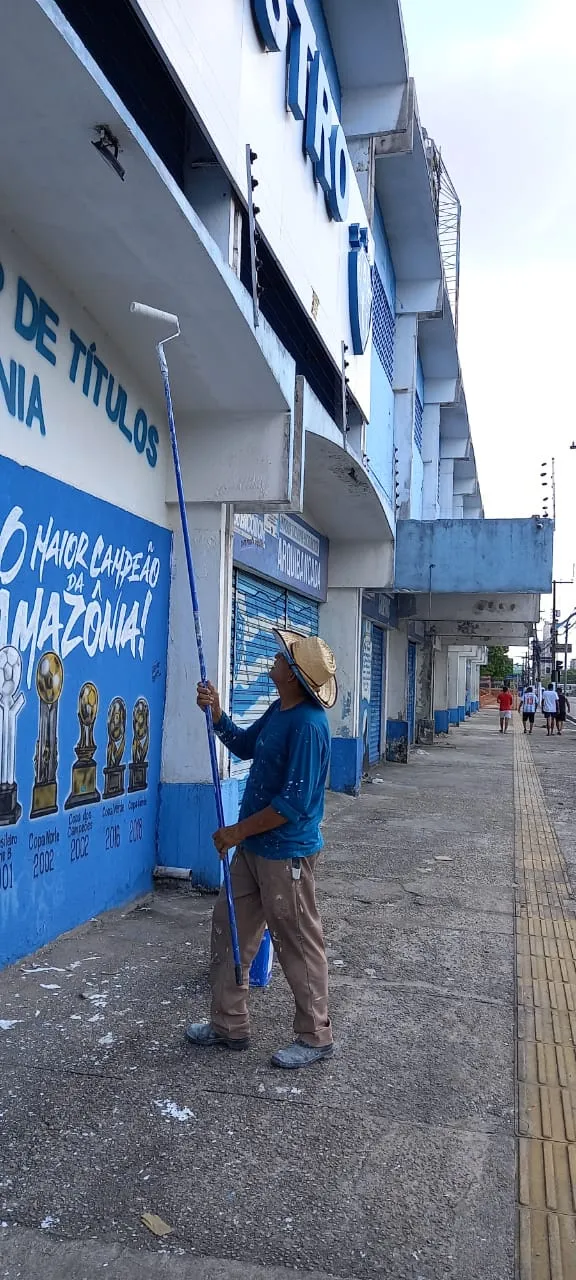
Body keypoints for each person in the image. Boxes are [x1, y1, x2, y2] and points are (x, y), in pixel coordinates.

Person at [186, 629, 337, 1070]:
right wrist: (216, 713)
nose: (274, 658)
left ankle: (315, 1035)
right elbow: (246, 745)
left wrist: (234, 832)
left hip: (285, 855)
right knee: (230, 926)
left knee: (296, 941)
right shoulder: (281, 709)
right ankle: (228, 1023)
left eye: (282, 657)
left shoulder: (310, 726)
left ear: (292, 676)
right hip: (254, 849)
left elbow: (291, 805)